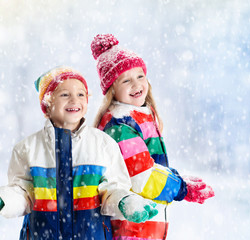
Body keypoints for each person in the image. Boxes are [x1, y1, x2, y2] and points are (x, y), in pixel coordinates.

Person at [0, 66, 159, 240]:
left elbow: (113, 188)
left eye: (81, 94)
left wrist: (126, 201)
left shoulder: (103, 144)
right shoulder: (28, 148)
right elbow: (23, 192)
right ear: (47, 104)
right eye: (65, 94)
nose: (75, 99)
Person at [90, 34, 215, 239]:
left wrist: (176, 179)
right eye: (126, 80)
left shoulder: (138, 117)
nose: (136, 84)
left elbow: (149, 166)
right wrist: (181, 188)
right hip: (130, 226)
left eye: (140, 76)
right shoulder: (120, 125)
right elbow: (142, 176)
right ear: (112, 88)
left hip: (144, 226)